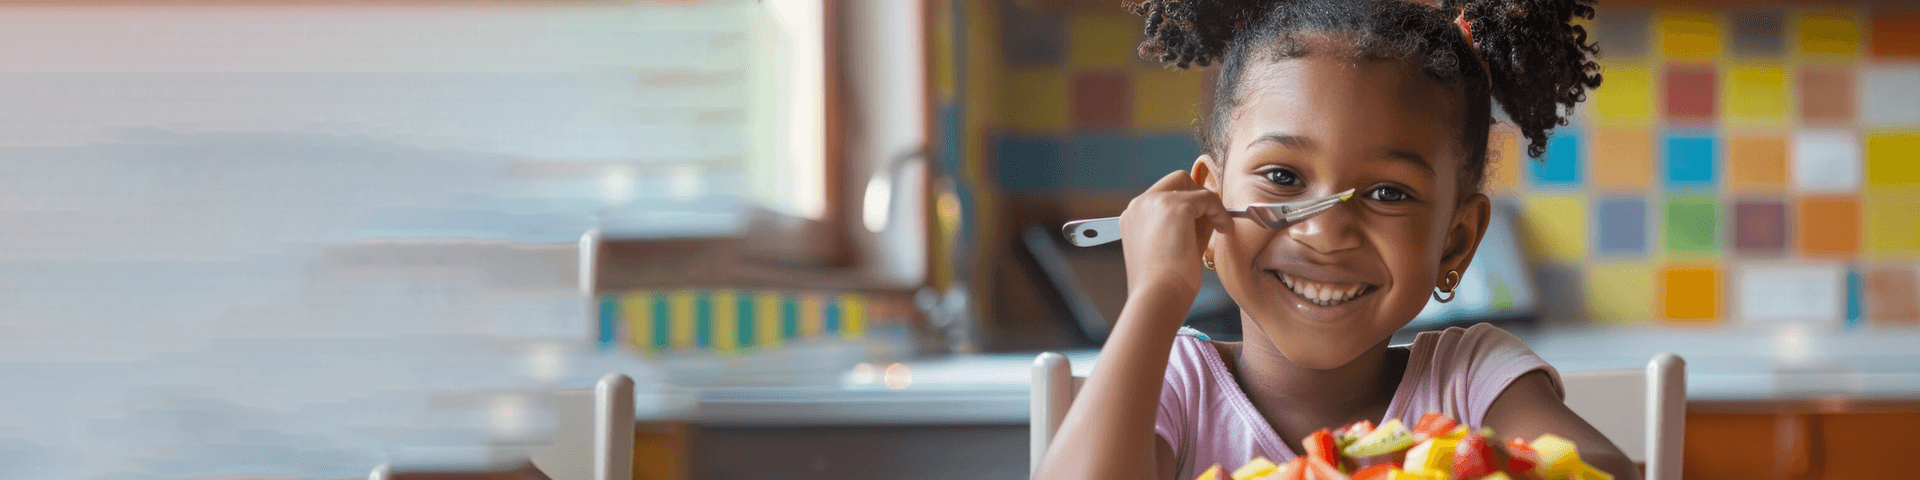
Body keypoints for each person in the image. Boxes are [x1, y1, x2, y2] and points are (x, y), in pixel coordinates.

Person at [1031, 0, 1631, 479]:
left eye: (1389, 193)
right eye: (1283, 178)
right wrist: (1156, 295)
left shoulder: (1472, 378)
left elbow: (1600, 472)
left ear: (1455, 243)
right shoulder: (1174, 384)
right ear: (1210, 207)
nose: (1325, 233)